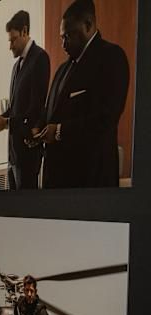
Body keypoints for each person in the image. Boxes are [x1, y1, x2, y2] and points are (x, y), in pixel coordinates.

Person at [36, 0, 129, 188]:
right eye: (61, 37)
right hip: (56, 181)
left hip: (89, 179)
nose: (63, 44)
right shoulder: (62, 69)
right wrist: (38, 128)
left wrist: (60, 131)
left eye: (68, 36)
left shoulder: (111, 57)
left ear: (88, 25)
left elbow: (106, 118)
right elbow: (51, 111)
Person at [0, 10, 50, 189]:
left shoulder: (40, 58)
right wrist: (0, 118)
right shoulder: (16, 66)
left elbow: (36, 109)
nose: (10, 46)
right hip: (13, 154)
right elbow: (14, 108)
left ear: (25, 31)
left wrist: (7, 122)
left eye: (13, 40)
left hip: (27, 153)